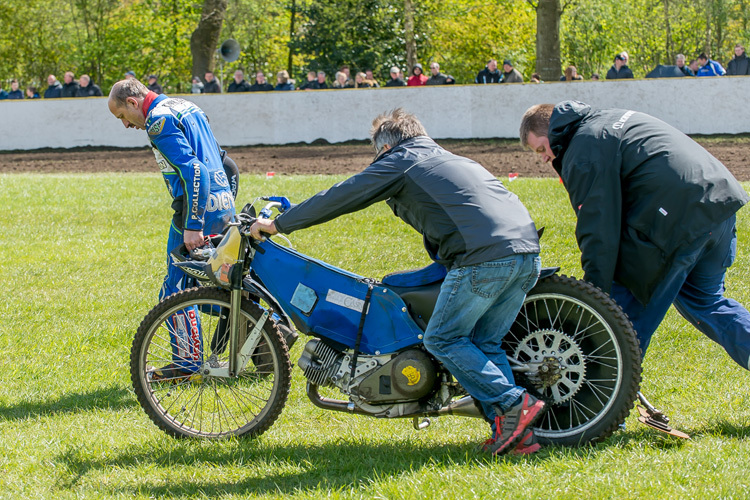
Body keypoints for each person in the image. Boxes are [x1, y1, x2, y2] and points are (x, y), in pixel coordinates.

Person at [249, 108, 546, 456]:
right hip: (526, 255)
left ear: (386, 148)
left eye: (377, 156)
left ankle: (513, 403)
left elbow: (345, 195)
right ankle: (515, 435)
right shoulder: (449, 158)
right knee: (485, 344)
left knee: (442, 339)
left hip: (484, 259)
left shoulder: (400, 160)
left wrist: (281, 224)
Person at [520, 100, 750, 380]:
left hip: (681, 219)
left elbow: (598, 228)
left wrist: (596, 299)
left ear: (552, 131)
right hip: (718, 205)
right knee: (706, 302)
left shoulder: (584, 149)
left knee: (623, 322)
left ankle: (600, 411)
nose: (543, 158)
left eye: (542, 149)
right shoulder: (605, 119)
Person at [107, 78, 238, 378]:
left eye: (123, 117)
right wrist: (227, 200)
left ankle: (186, 364)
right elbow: (224, 161)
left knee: (176, 289)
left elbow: (194, 170)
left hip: (194, 210)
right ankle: (263, 333)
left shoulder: (158, 120)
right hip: (222, 205)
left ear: (132, 102)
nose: (126, 126)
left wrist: (193, 224)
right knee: (217, 282)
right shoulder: (186, 106)